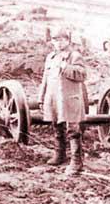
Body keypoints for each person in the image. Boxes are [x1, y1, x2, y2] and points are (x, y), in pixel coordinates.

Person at [37, 27, 87, 175]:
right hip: (54, 98)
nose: (58, 43)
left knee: (73, 129)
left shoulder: (74, 56)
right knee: (56, 126)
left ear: (67, 40)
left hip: (69, 98)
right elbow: (45, 79)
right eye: (55, 40)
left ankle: (76, 161)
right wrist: (41, 97)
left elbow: (82, 75)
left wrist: (66, 67)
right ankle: (59, 154)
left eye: (61, 40)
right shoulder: (50, 57)